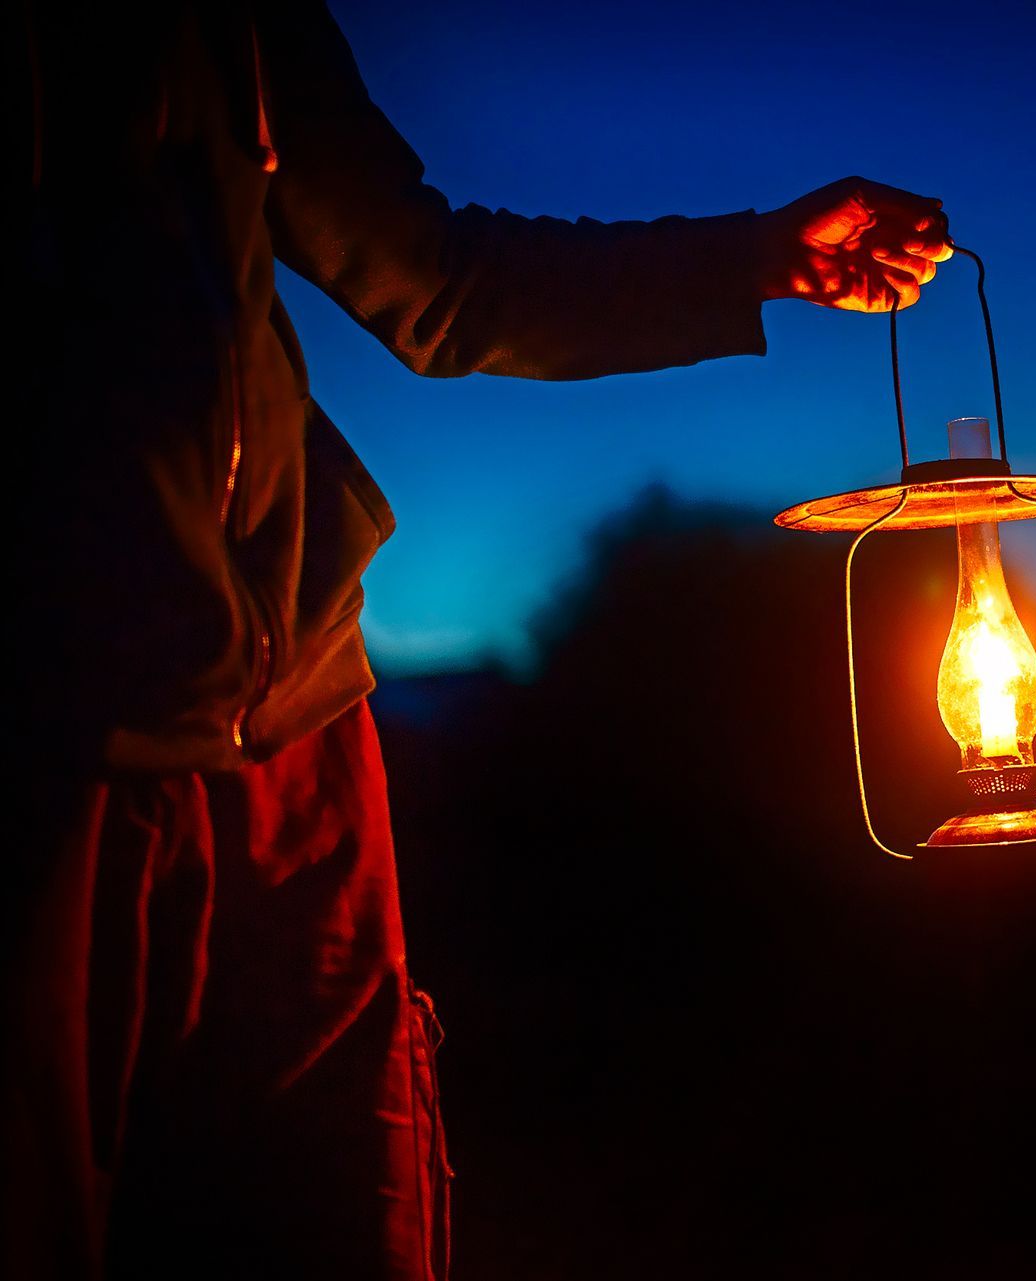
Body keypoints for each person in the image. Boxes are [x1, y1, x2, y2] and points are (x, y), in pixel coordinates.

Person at [6, 3, 952, 1278]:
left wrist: (756, 257)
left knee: (337, 1201)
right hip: (48, 732)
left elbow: (438, 282)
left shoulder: (232, 27)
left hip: (292, 711)